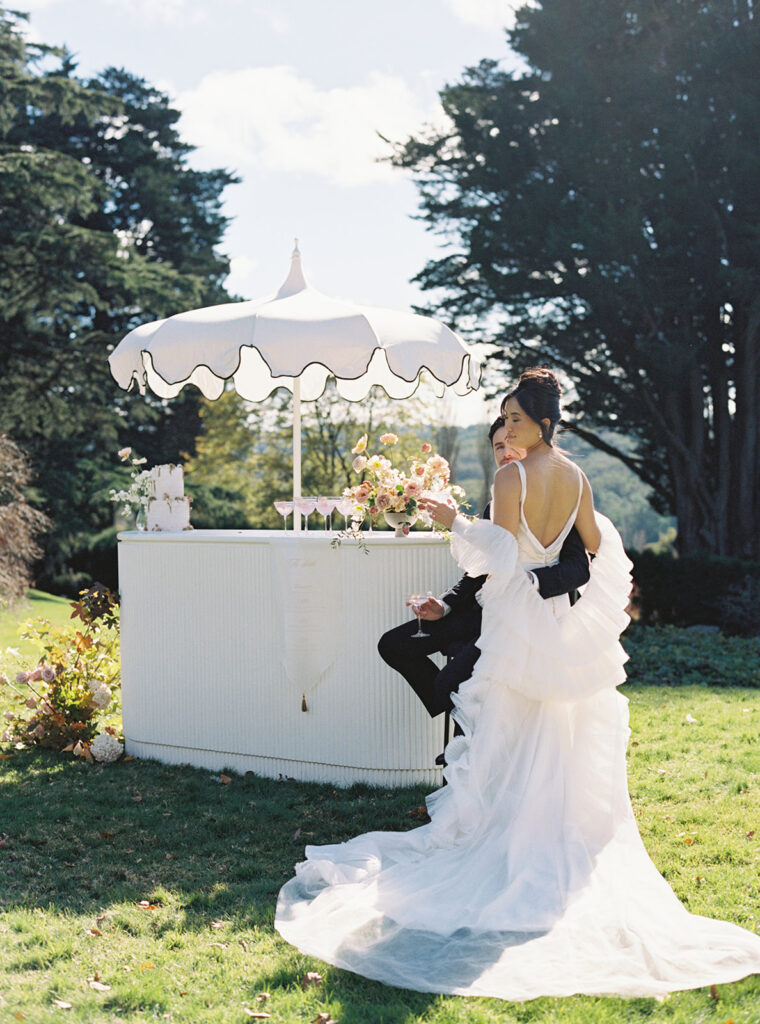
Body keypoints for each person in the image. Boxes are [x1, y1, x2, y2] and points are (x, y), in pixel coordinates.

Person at [275, 368, 760, 1000]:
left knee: (510, 734)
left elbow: (497, 559)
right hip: (558, 630)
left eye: (516, 421)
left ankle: (508, 845)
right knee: (552, 732)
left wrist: (455, 519)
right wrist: (568, 602)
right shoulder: (578, 478)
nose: (506, 430)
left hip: (517, 629)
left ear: (544, 424)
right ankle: (550, 846)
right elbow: (596, 551)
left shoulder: (512, 476)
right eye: (504, 419)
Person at [377, 416, 590, 731]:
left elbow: (578, 568)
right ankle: (469, 722)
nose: (505, 452)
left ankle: (472, 739)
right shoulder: (496, 504)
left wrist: (528, 583)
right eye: (498, 446)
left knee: (448, 682)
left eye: (511, 443)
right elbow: (481, 570)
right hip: (479, 612)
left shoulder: (556, 498)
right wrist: (445, 604)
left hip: (523, 620)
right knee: (393, 644)